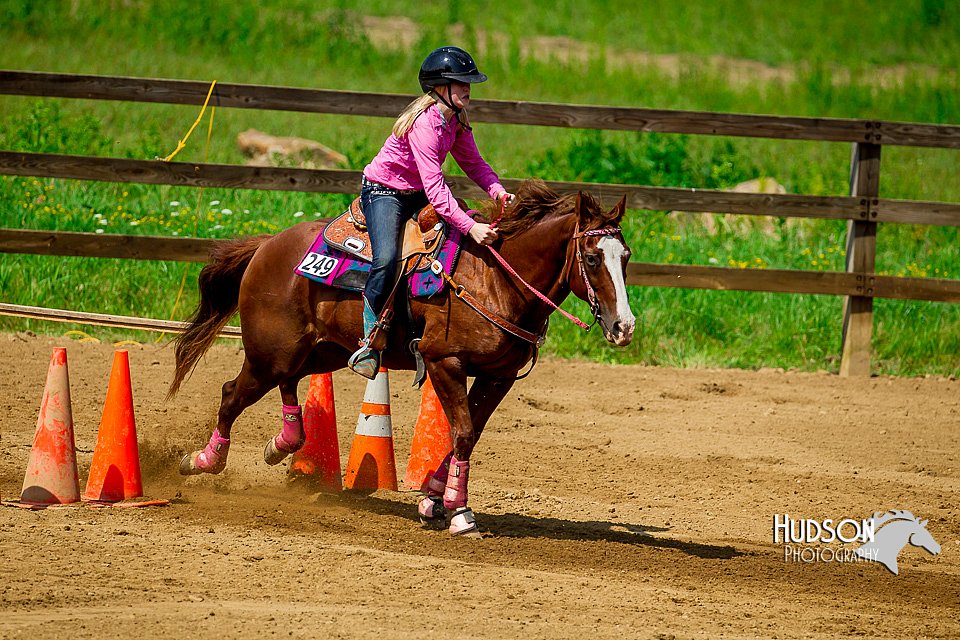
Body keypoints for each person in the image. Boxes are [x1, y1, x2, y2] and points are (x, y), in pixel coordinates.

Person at [347, 46, 515, 379]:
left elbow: (474, 164)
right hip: (385, 192)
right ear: (440, 87)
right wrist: (470, 227)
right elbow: (438, 193)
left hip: (417, 192)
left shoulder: (456, 121)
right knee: (385, 258)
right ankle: (368, 337)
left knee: (451, 247)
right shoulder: (425, 125)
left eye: (469, 83)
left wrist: (498, 190)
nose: (468, 89)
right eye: (460, 82)